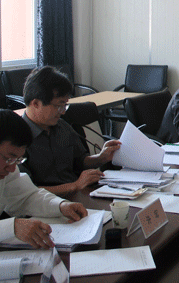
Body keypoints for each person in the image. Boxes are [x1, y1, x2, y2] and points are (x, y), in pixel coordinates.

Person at [20, 66, 121, 196]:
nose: (62, 112)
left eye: (65, 105)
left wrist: (101, 158)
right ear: (36, 104)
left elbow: (80, 161)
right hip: (47, 201)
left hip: (78, 194)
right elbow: (27, 192)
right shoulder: (17, 137)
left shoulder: (62, 126)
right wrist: (75, 185)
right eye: (58, 105)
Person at [0, 109, 87, 249]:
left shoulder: (7, 168)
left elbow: (26, 197)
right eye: (9, 158)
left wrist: (60, 206)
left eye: (17, 160)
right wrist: (11, 227)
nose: (11, 169)